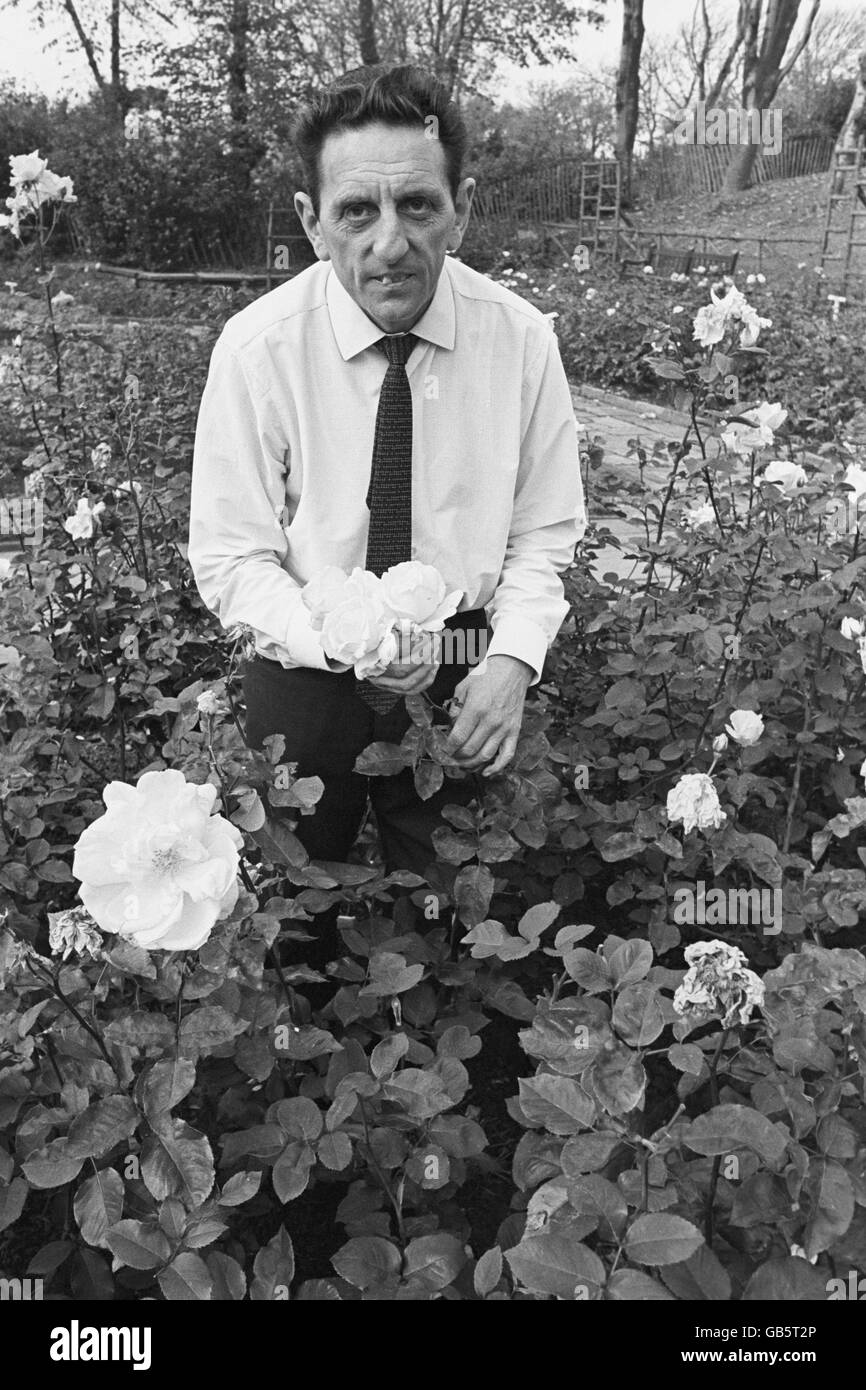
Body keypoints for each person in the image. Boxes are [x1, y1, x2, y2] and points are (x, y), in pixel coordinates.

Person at [188, 62, 586, 885]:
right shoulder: (260, 348)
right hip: (302, 668)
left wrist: (510, 661)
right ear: (312, 220)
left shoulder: (519, 342)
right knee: (289, 917)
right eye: (357, 211)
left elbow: (544, 535)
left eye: (418, 205)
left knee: (467, 919)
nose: (389, 243)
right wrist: (337, 638)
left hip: (465, 658)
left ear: (462, 209)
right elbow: (230, 556)